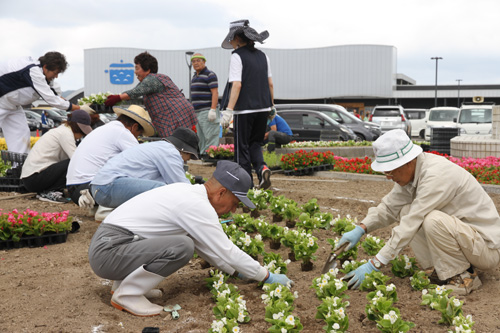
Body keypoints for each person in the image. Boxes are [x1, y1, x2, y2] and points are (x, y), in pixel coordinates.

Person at [88, 160, 293, 316]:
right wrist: (266, 276)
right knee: (181, 246)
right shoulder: (197, 205)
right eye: (235, 203)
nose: (233, 210)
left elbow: (204, 245)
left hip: (112, 246)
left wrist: (235, 271)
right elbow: (225, 249)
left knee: (184, 241)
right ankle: (128, 295)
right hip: (109, 252)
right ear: (221, 193)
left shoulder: (189, 193)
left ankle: (123, 287)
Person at [337, 129, 500, 294]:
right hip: (468, 241)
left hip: (486, 249)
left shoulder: (435, 176)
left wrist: (376, 263)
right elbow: (389, 207)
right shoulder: (413, 173)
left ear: (407, 162)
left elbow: (412, 221)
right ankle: (439, 270)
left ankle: (463, 278)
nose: (387, 176)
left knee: (431, 219)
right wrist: (361, 228)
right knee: (405, 210)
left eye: (390, 170)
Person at [66, 105, 155, 214]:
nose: (136, 138)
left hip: (75, 189)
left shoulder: (104, 129)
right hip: (91, 187)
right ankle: (105, 208)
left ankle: (99, 205)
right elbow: (143, 161)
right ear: (134, 127)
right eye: (138, 134)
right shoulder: (122, 132)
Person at [220, 19, 275, 190]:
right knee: (255, 144)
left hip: (244, 110)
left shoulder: (237, 56)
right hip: (263, 108)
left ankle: (246, 186)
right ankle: (262, 168)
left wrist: (229, 110)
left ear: (237, 38)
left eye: (231, 39)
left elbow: (236, 84)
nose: (231, 42)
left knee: (241, 148)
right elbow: (270, 83)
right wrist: (272, 106)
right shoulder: (263, 56)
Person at [90, 127, 199, 208]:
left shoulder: (158, 147)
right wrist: (201, 196)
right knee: (163, 191)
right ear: (184, 149)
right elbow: (181, 185)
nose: (187, 160)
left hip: (101, 186)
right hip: (107, 187)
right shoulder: (170, 152)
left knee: (161, 188)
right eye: (190, 156)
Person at [0, 52, 83, 154]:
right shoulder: (33, 70)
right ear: (45, 67)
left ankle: (19, 167)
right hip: (2, 102)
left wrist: (73, 105)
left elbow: (56, 96)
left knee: (21, 135)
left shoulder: (45, 76)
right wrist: (79, 108)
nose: (56, 76)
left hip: (12, 106)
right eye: (55, 72)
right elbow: (51, 99)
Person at [104, 52, 197, 138]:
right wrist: (118, 97)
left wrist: (117, 98)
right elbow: (135, 90)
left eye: (137, 68)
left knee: (176, 144)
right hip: (177, 115)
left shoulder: (152, 79)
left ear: (147, 70)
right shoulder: (153, 80)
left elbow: (136, 91)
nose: (135, 72)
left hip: (176, 116)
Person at [21, 110, 92, 203]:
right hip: (34, 179)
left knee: (71, 163)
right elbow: (77, 159)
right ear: (77, 128)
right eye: (82, 133)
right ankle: (49, 192)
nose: (81, 136)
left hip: (32, 178)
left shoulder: (62, 130)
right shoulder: (66, 133)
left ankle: (51, 189)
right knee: (72, 163)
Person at [190, 53, 220, 157]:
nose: (196, 63)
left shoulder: (209, 74)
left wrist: (212, 110)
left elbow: (215, 93)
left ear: (204, 62)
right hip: (197, 112)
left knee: (210, 136)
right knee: (201, 137)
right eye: (193, 61)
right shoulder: (194, 77)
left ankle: (211, 158)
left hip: (207, 111)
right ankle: (203, 157)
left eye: (198, 60)